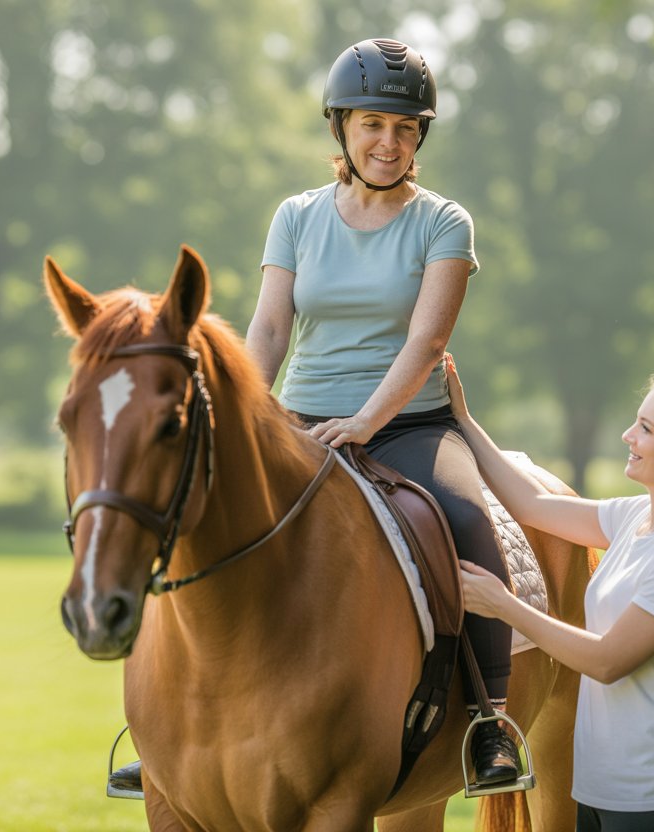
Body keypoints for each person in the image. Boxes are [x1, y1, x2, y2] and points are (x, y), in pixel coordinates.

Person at [243, 38, 520, 785]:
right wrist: (250, 411)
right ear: (341, 128)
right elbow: (269, 330)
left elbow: (428, 341)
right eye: (372, 124)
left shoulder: (444, 222)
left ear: (420, 136)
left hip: (408, 427)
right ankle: (173, 725)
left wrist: (365, 423)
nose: (388, 143)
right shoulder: (297, 216)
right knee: (205, 518)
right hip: (299, 421)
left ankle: (491, 726)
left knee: (466, 519)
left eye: (405, 129)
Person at [444, 354, 654, 831]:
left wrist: (504, 605)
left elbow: (607, 662)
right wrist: (461, 417)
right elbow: (532, 503)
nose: (629, 435)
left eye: (646, 428)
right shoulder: (633, 518)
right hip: (596, 790)